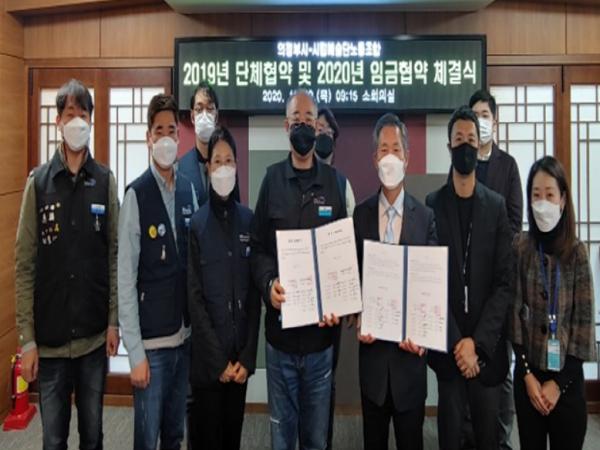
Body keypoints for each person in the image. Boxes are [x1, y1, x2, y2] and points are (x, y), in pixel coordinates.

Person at [15, 78, 119, 450]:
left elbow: (115, 255)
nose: (77, 121)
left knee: (93, 437)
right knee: (53, 440)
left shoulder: (104, 181)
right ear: (58, 121)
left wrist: (113, 320)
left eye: (83, 114)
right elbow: (24, 264)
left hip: (93, 339)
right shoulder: (38, 183)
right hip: (50, 344)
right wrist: (27, 340)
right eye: (70, 114)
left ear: (91, 120)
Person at [250, 90, 345, 450]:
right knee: (282, 438)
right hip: (281, 341)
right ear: (285, 125)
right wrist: (268, 283)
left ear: (318, 127)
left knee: (316, 440)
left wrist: (339, 299)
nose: (303, 126)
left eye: (310, 120)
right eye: (297, 119)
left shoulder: (334, 183)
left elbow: (343, 256)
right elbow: (257, 248)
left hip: (321, 342)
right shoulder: (272, 180)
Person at [426, 105, 512, 450]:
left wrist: (476, 344)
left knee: (488, 440)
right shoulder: (432, 205)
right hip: (449, 353)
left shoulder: (497, 206)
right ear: (449, 147)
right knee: (449, 440)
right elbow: (429, 282)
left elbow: (504, 283)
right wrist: (457, 343)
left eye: (471, 140)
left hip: (486, 355)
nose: (465, 146)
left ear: (480, 146)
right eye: (458, 139)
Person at [118, 94, 197, 450]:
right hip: (151, 348)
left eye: (171, 131)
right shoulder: (136, 195)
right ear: (149, 137)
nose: (166, 138)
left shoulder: (189, 189)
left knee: (174, 437)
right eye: (159, 131)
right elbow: (125, 279)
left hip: (184, 340)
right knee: (146, 440)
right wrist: (135, 353)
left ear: (180, 136)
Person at [353, 113, 437, 450]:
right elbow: (352, 280)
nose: (390, 156)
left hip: (410, 363)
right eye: (383, 149)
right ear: (375, 159)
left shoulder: (426, 217)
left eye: (396, 149)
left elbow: (431, 288)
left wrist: (425, 334)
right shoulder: (360, 215)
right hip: (373, 362)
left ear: (407, 157)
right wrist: (356, 314)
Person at [509, 156, 596, 450]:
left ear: (563, 200)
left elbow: (584, 325)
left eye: (549, 194)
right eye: (536, 195)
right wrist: (527, 376)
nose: (542, 202)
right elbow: (514, 316)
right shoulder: (521, 248)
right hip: (529, 380)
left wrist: (558, 385)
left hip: (567, 384)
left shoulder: (577, 253)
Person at [187, 127, 261, 450]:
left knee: (232, 439)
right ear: (208, 168)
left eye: (229, 160)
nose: (223, 167)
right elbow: (194, 298)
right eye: (217, 161)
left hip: (239, 362)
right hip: (208, 364)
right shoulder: (197, 224)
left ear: (237, 166)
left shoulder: (248, 220)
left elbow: (255, 295)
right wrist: (218, 363)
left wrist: (247, 357)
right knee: (207, 440)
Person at [460, 88, 523, 450]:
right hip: (467, 286)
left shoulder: (507, 166)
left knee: (500, 366)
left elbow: (514, 223)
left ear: (494, 121)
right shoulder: (464, 162)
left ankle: (501, 436)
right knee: (469, 361)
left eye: (485, 115)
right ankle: (470, 435)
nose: (480, 121)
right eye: (475, 115)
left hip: (498, 282)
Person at [315, 106, 356, 450]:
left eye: (327, 132)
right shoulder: (290, 180)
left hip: (332, 299)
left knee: (326, 377)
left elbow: (352, 245)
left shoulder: (343, 185)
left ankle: (324, 441)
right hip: (298, 296)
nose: (321, 136)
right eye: (316, 130)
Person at [180, 81, 239, 206]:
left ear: (216, 116)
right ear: (192, 116)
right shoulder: (181, 167)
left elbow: (235, 207)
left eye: (210, 109)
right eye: (199, 109)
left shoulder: (227, 163)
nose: (204, 115)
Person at [315, 106, 356, 217]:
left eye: (329, 132)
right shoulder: (300, 181)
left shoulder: (342, 185)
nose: (324, 135)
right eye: (320, 130)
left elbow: (351, 221)